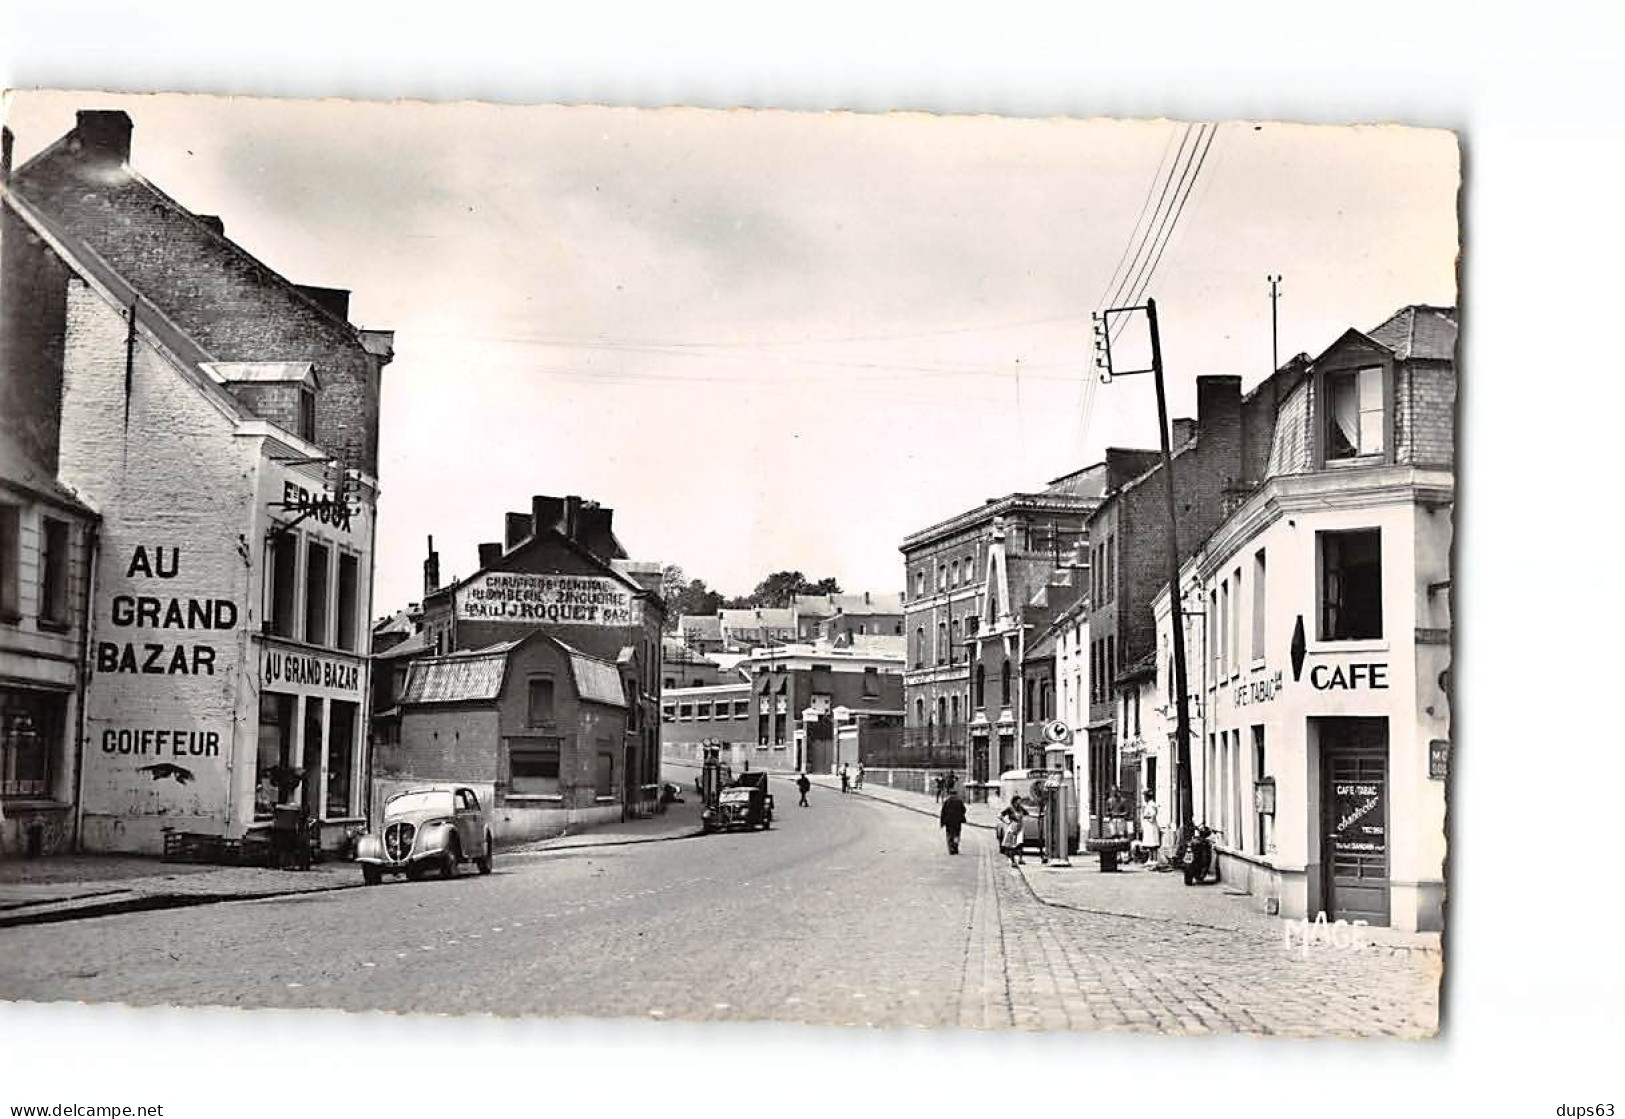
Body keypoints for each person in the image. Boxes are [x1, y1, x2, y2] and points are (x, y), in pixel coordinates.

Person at [999, 795, 1028, 867]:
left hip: (1020, 827)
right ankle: (1013, 861)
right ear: (1015, 801)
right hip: (1012, 827)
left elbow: (1027, 813)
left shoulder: (1021, 808)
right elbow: (1000, 815)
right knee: (1012, 845)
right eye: (1019, 801)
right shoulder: (1010, 808)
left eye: (1020, 801)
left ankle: (1020, 859)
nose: (1020, 802)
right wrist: (1006, 822)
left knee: (1020, 844)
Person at [1136, 790, 1162, 864]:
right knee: (1150, 843)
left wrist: (1145, 816)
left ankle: (1154, 859)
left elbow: (1153, 815)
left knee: (1153, 843)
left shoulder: (1152, 805)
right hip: (1148, 826)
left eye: (1145, 797)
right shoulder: (1148, 805)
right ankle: (1150, 858)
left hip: (1151, 826)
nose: (1144, 798)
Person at [939, 787, 968, 854]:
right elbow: (964, 810)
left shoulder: (947, 801)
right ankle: (955, 846)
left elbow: (943, 812)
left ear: (949, 794)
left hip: (949, 822)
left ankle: (951, 848)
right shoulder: (959, 801)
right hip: (957, 822)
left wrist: (942, 823)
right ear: (956, 794)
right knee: (957, 834)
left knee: (949, 835)